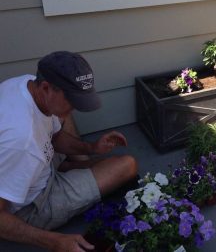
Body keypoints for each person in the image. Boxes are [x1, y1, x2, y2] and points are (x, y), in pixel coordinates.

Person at [0, 51, 138, 251]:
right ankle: (72, 170)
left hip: (33, 164)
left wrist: (91, 148)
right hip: (32, 205)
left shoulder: (28, 84)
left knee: (61, 115)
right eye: (72, 100)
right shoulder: (22, 142)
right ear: (46, 88)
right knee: (127, 165)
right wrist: (55, 241)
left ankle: (71, 167)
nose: (76, 108)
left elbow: (54, 135)